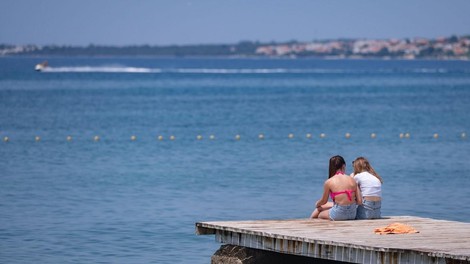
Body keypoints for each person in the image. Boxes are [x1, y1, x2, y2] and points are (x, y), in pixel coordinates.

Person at [310, 155, 361, 221]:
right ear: (343, 166)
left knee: (319, 213)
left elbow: (323, 201)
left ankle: (310, 221)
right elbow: (359, 201)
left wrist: (317, 204)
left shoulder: (329, 181)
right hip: (352, 214)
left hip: (338, 214)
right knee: (325, 207)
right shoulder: (352, 179)